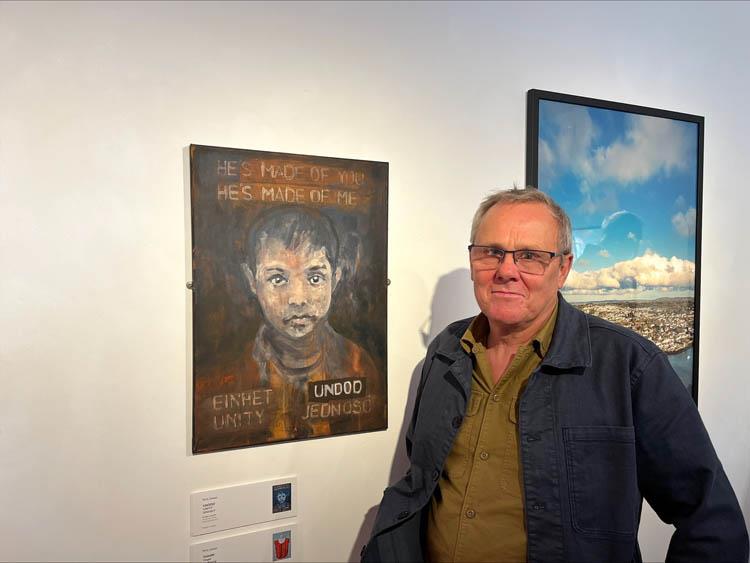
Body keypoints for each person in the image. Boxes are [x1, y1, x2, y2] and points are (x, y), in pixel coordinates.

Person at [362, 188, 748, 562]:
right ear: (473, 260)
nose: (506, 271)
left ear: (562, 269)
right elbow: (421, 477)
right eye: (491, 252)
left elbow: (712, 523)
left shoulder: (629, 365)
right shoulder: (446, 351)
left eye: (530, 256)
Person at [193, 206, 384, 452]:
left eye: (315, 278)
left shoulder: (357, 365)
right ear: (252, 280)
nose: (297, 298)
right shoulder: (225, 378)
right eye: (277, 279)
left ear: (335, 279)